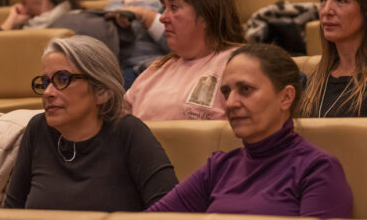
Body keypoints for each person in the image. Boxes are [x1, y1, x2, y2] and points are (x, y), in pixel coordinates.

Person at [147, 43, 352, 218]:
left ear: (286, 97)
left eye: (245, 89)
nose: (231, 103)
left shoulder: (317, 169)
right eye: (226, 92)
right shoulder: (219, 168)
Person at [4, 36, 178, 211]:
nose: (48, 92)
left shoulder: (128, 132)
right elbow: (11, 211)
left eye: (63, 79)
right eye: (45, 82)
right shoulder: (38, 129)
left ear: (102, 92)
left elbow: (171, 213)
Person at [125, 0, 245, 120]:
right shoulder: (156, 69)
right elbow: (120, 123)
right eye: (165, 8)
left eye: (174, 7)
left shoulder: (238, 65)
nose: (162, 18)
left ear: (206, 16)